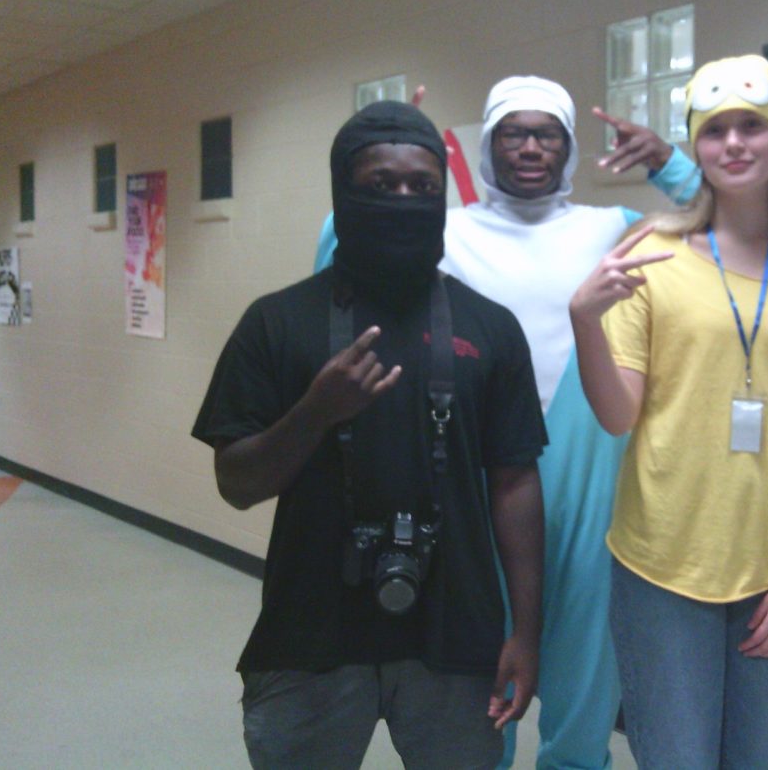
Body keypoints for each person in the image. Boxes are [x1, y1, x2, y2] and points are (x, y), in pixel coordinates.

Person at [314, 77, 699, 769]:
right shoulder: (445, 229)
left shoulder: (610, 229)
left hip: (590, 472)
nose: (530, 147)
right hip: (475, 474)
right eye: (513, 132)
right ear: (488, 144)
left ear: (568, 146)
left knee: (585, 677)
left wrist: (667, 161)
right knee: (478, 681)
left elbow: (726, 217)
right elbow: (339, 241)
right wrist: (379, 150)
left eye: (546, 132)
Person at [193, 100, 547, 770]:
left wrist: (526, 634)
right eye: (381, 185)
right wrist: (316, 411)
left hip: (456, 634)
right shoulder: (276, 322)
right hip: (310, 633)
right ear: (341, 192)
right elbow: (236, 484)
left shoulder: (491, 328)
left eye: (423, 186)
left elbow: (515, 481)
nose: (404, 199)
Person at [570, 55, 768, 768]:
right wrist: (585, 321)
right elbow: (619, 415)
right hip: (661, 565)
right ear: (697, 148)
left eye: (751, 127)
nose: (734, 143)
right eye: (716, 131)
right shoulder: (653, 252)